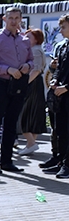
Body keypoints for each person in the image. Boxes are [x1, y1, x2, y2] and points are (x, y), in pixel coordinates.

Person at [0, 7, 34, 175]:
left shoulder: (25, 41)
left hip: (18, 85)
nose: (13, 21)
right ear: (4, 19)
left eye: (16, 18)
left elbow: (32, 61)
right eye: (10, 18)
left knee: (11, 124)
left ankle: (7, 161)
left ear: (20, 20)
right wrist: (7, 69)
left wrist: (27, 66)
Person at [18, 28, 48, 157]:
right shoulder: (35, 50)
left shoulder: (35, 50)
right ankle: (31, 144)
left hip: (32, 84)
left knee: (25, 112)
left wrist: (25, 84)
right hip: (35, 84)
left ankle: (31, 142)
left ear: (36, 39)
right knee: (32, 113)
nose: (26, 39)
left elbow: (35, 70)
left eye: (29, 37)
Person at [45, 14, 69, 178]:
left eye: (63, 27)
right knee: (60, 131)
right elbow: (59, 69)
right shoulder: (63, 46)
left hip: (67, 92)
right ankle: (61, 161)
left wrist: (66, 87)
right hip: (60, 95)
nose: (60, 31)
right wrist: (54, 81)